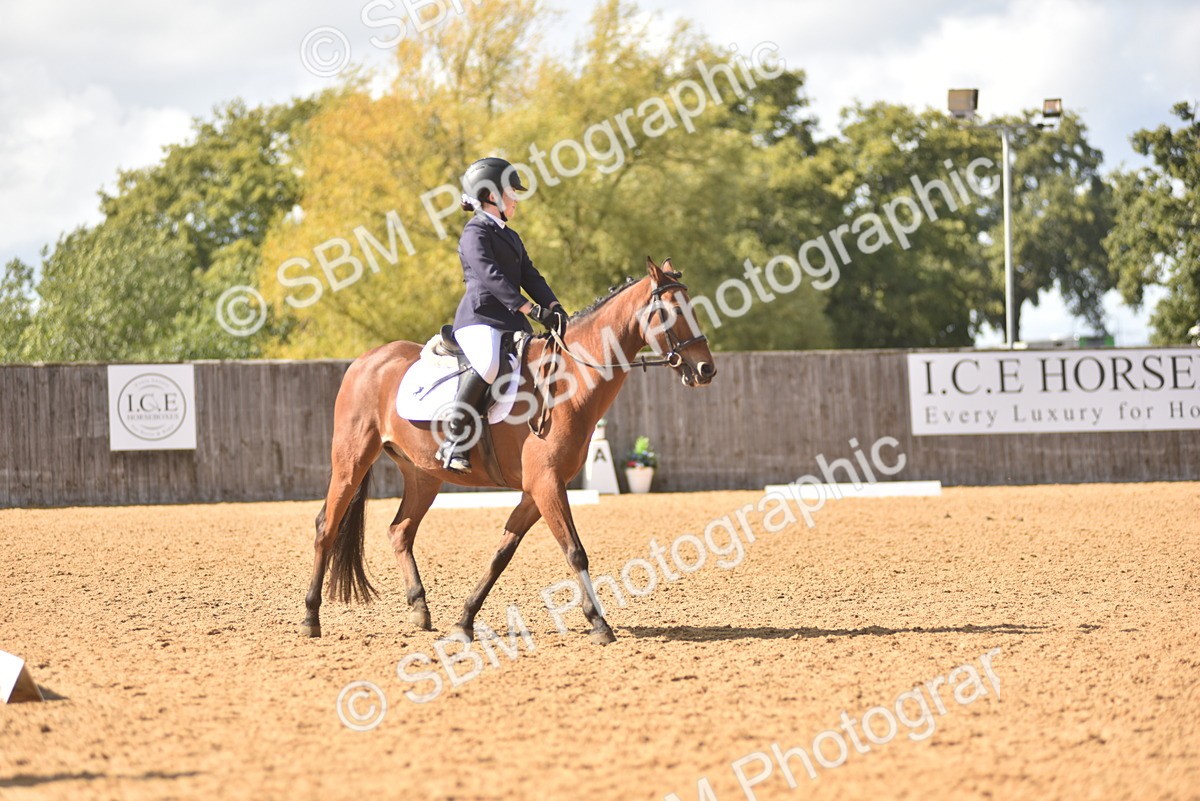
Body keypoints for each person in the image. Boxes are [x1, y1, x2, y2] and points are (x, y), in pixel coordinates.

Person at [437, 157, 568, 473]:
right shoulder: (475, 232)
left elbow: (531, 276)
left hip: (510, 323)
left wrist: (554, 307)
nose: (517, 198)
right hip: (480, 319)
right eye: (512, 191)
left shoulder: (510, 236)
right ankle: (455, 437)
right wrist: (529, 309)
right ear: (491, 195)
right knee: (490, 363)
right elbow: (490, 275)